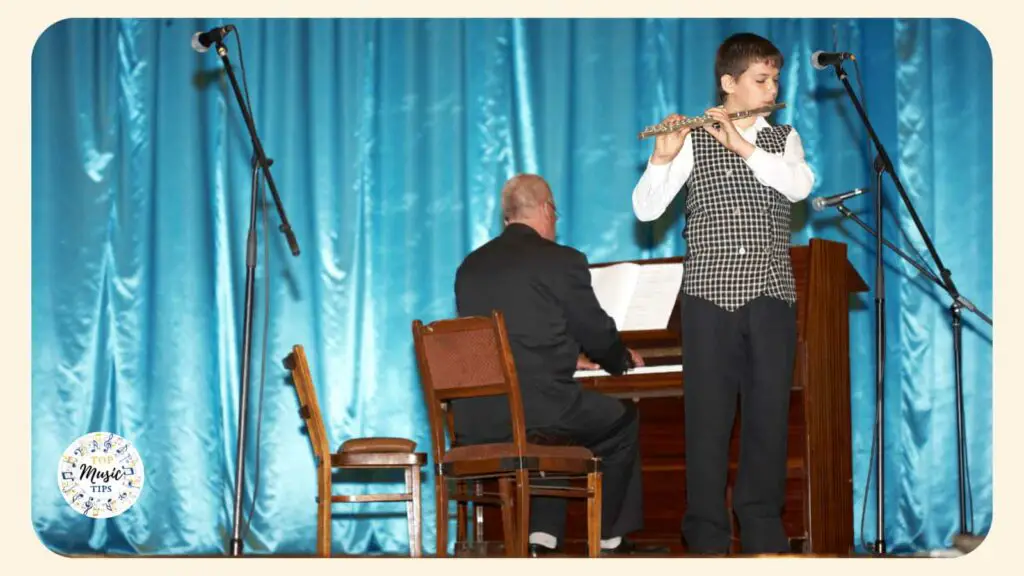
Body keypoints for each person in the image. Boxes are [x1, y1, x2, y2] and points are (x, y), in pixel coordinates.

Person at [630, 33, 815, 554]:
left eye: (775, 79)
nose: (771, 87)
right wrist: (662, 159)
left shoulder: (784, 140)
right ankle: (706, 535)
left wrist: (743, 144)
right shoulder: (691, 139)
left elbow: (799, 187)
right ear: (729, 83)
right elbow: (646, 210)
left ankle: (761, 529)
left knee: (767, 418)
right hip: (708, 295)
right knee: (707, 421)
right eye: (760, 79)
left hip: (770, 293)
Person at [452, 173, 663, 556]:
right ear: (548, 210)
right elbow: (595, 331)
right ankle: (610, 538)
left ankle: (543, 538)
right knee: (620, 422)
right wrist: (618, 360)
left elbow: (508, 341)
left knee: (552, 427)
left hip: (478, 418)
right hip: (538, 409)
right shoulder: (561, 261)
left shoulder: (470, 267)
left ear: (507, 218)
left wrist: (568, 360)